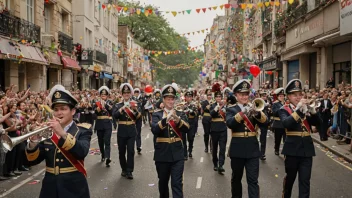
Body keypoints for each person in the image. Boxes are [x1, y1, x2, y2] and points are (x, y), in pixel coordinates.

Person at [25, 85, 92, 198]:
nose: (59, 113)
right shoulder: (48, 131)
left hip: (74, 188)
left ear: (73, 111)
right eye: (56, 110)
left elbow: (82, 151)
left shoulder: (83, 130)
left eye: (63, 109)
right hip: (49, 188)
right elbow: (32, 160)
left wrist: (62, 133)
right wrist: (33, 141)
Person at [226, 79, 267, 198]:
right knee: (236, 179)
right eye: (241, 94)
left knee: (253, 181)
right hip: (237, 149)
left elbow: (266, 124)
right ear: (236, 95)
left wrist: (257, 113)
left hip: (252, 149)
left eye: (246, 94)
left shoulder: (254, 107)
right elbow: (230, 123)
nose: (244, 97)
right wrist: (242, 113)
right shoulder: (231, 109)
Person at [278, 79, 319, 198]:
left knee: (305, 182)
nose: (298, 97)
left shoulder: (305, 109)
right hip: (292, 150)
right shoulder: (284, 110)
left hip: (307, 150)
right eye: (294, 95)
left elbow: (318, 124)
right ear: (289, 97)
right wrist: (298, 111)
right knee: (290, 180)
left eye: (300, 94)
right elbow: (286, 123)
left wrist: (313, 111)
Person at [151, 84, 190, 198]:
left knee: (177, 183)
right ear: (163, 99)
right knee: (163, 184)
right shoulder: (157, 114)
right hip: (162, 154)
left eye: (172, 98)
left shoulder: (180, 113)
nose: (170, 101)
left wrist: (177, 120)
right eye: (168, 98)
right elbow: (155, 130)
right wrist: (165, 119)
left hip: (177, 153)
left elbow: (187, 128)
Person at [112, 83, 141, 179]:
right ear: (122, 94)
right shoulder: (118, 105)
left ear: (131, 93)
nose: (126, 94)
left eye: (128, 93)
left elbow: (138, 117)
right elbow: (115, 116)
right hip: (122, 130)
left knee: (131, 151)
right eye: (124, 93)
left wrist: (135, 110)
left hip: (131, 130)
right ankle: (123, 169)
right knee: (121, 151)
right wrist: (121, 109)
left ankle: (129, 171)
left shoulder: (134, 104)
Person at [209, 83, 227, 175]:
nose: (219, 98)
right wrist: (216, 109)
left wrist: (225, 110)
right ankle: (215, 163)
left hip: (223, 128)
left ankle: (221, 165)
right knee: (215, 148)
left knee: (223, 148)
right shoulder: (212, 105)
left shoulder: (225, 105)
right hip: (215, 129)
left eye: (220, 97)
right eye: (217, 97)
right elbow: (211, 115)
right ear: (215, 98)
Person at [94, 86, 114, 167]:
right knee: (100, 142)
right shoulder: (96, 102)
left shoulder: (110, 102)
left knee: (107, 141)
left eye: (105, 95)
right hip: (99, 124)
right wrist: (99, 107)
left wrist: (105, 105)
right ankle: (103, 154)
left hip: (107, 124)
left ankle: (107, 157)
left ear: (107, 95)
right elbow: (94, 113)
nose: (103, 96)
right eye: (102, 95)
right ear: (100, 95)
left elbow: (112, 111)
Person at [182, 90, 198, 160]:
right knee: (183, 139)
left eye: (190, 97)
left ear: (192, 97)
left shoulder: (194, 105)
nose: (189, 98)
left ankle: (190, 150)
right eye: (187, 97)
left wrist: (191, 111)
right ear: (185, 97)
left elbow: (196, 113)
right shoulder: (183, 104)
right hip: (184, 123)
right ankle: (185, 153)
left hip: (191, 122)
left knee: (190, 138)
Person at [271, 88, 286, 155]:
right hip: (278, 124)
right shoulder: (275, 104)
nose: (282, 97)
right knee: (278, 139)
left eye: (283, 96)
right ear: (277, 97)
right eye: (280, 96)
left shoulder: (286, 103)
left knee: (286, 139)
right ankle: (276, 149)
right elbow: (274, 113)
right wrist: (281, 108)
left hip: (285, 124)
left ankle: (285, 150)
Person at [201, 87, 212, 153]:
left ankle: (211, 147)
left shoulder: (214, 102)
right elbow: (203, 110)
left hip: (212, 119)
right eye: (208, 95)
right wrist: (208, 106)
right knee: (206, 133)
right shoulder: (204, 102)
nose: (209, 96)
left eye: (210, 95)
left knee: (212, 133)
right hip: (206, 119)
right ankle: (206, 147)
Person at [133, 88, 143, 154]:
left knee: (138, 132)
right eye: (135, 92)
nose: (136, 93)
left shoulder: (141, 99)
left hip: (139, 118)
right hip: (132, 117)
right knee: (132, 133)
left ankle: (138, 146)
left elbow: (144, 107)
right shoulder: (131, 100)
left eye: (137, 92)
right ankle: (132, 147)